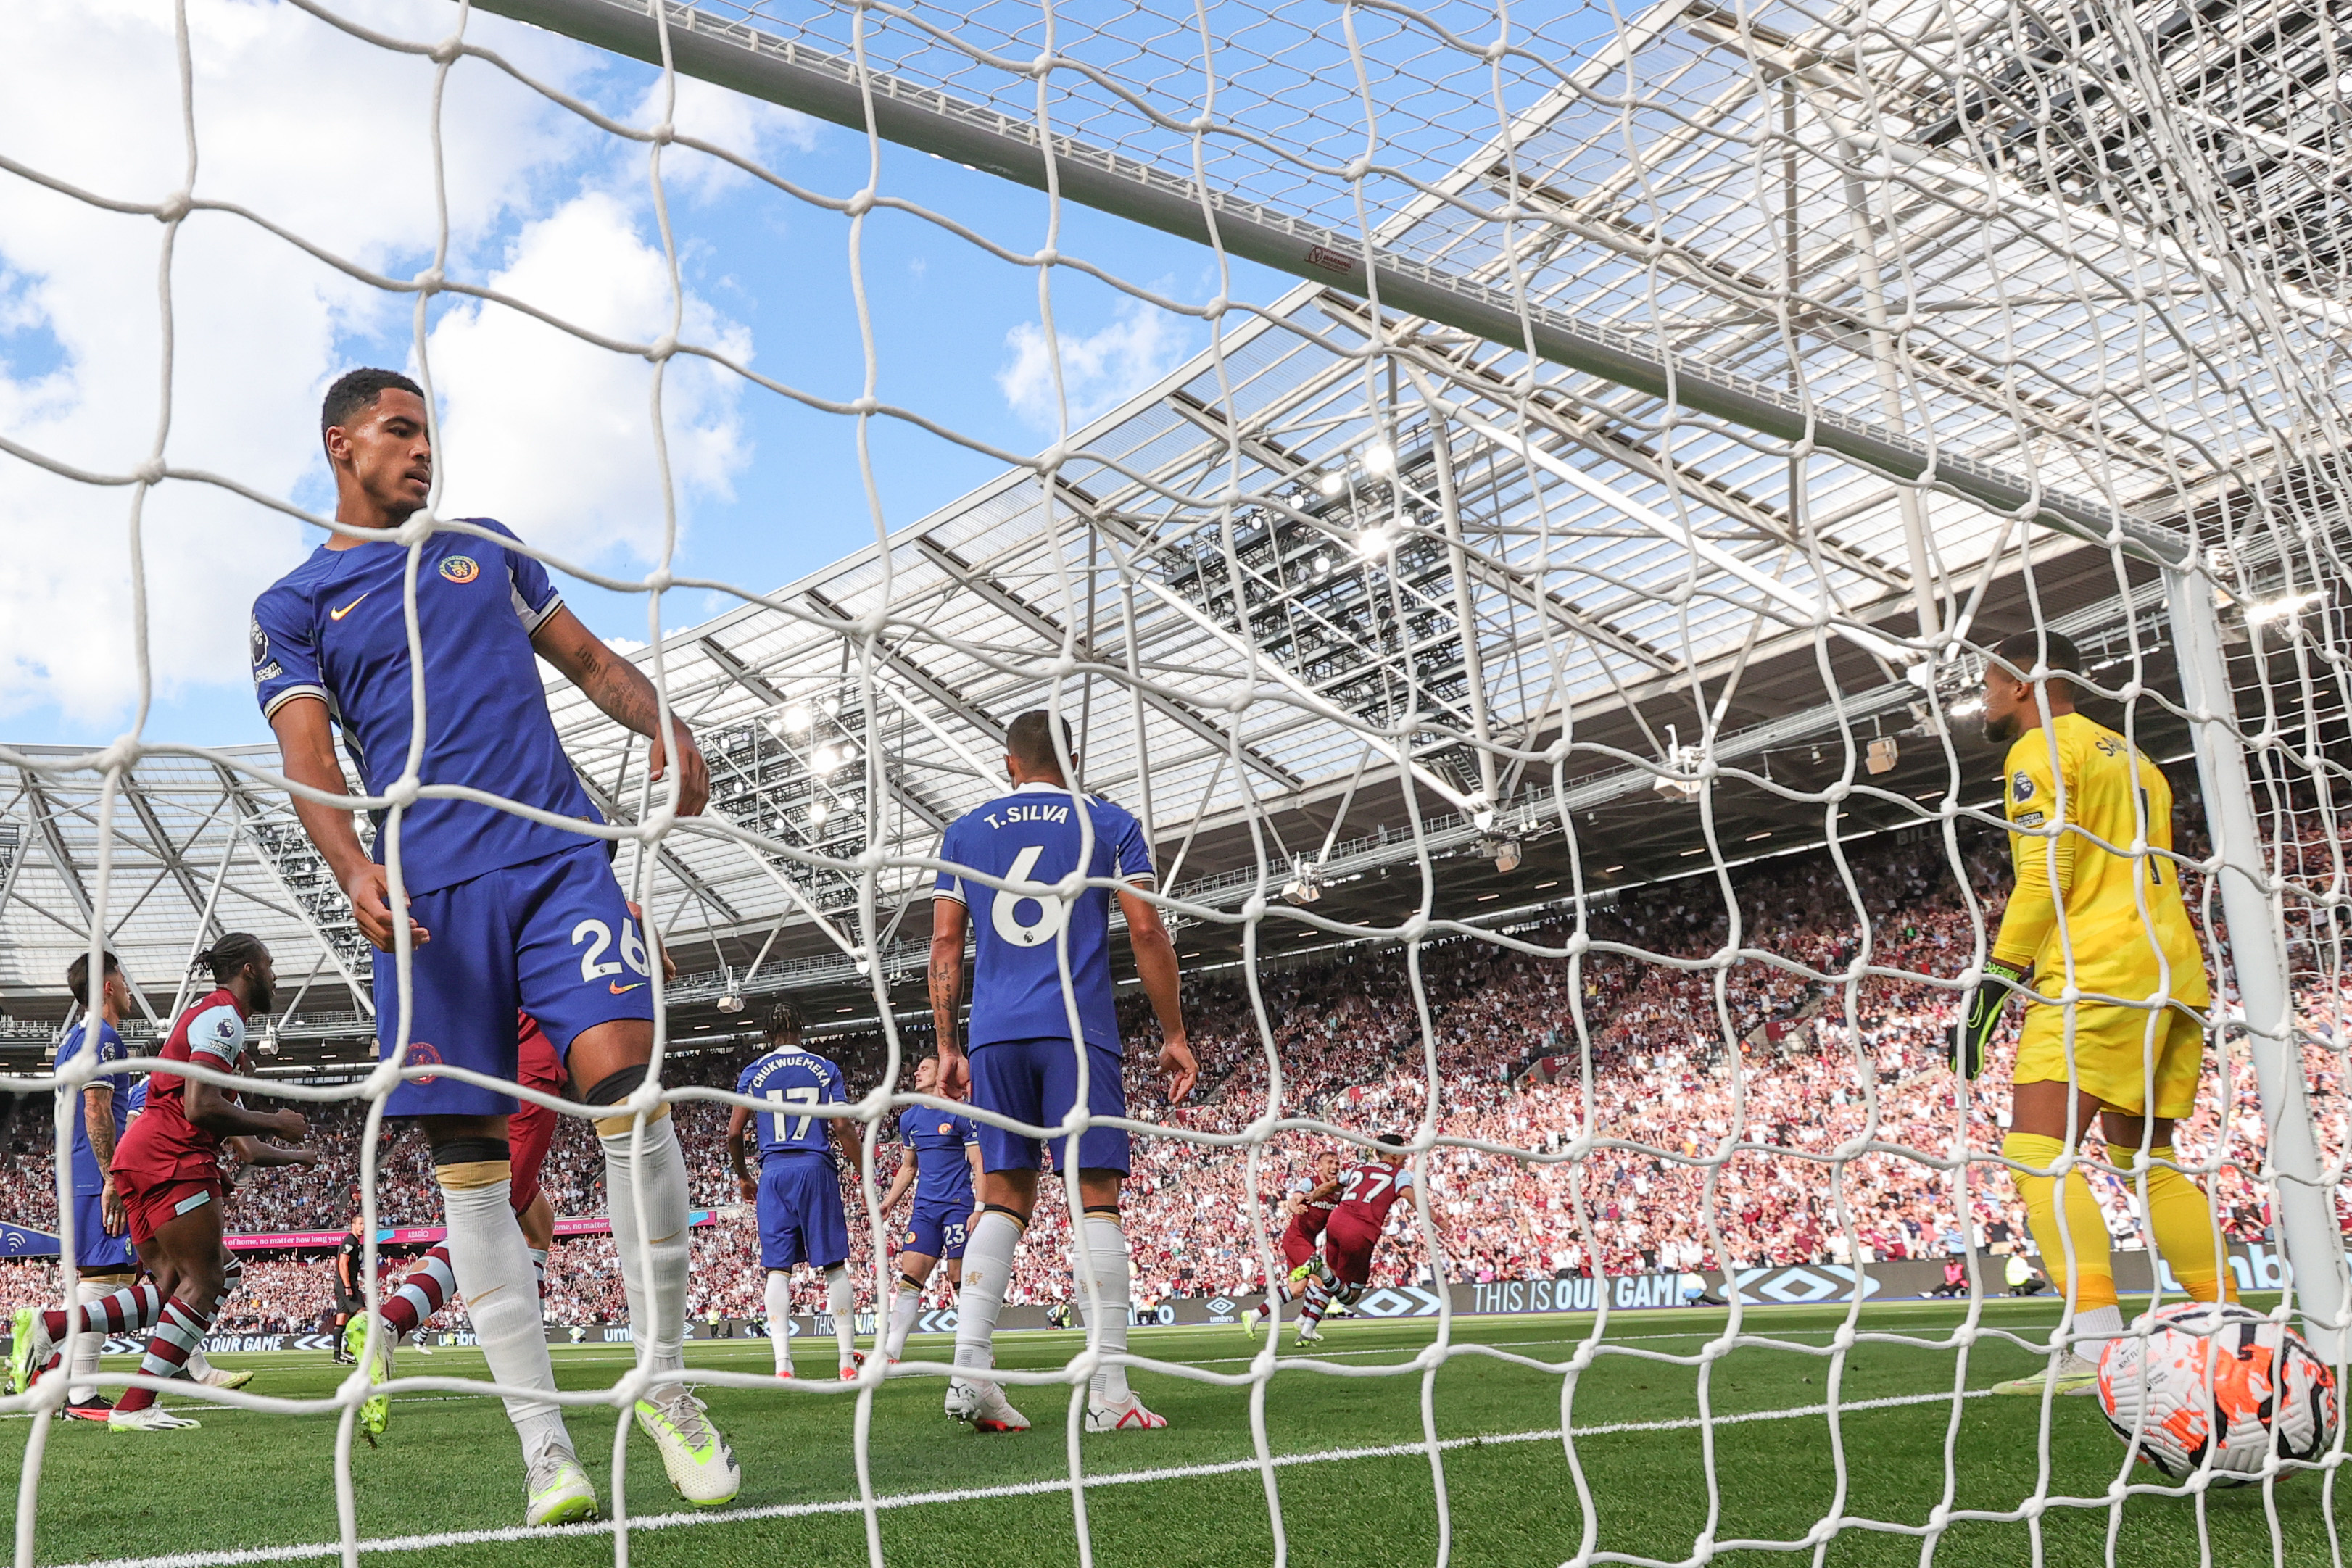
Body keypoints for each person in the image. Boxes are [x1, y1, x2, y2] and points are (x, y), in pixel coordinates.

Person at [252, 368, 726, 1522]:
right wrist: (353, 866)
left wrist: (663, 717)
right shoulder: (295, 603)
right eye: (401, 431)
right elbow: (308, 759)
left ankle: (666, 1380)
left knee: (635, 1097)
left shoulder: (487, 547)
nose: (424, 451)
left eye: (430, 431)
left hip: (560, 859)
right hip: (428, 902)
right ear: (341, 444)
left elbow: (591, 660)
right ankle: (545, 1447)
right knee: (469, 1173)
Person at [1950, 630, 2232, 1396]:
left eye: (1987, 683)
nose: (1983, 698)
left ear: (2020, 682)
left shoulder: (2039, 751)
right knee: (2148, 1162)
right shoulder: (2136, 758)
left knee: (2037, 1151)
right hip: (2173, 972)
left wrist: (1993, 985)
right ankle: (2226, 1329)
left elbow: (2045, 877)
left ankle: (2095, 1344)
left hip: (2097, 975)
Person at [929, 710, 1196, 1434]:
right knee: (1095, 1201)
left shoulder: (966, 830)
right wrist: (1173, 1033)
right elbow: (1146, 928)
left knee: (1004, 1197)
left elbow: (946, 945)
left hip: (991, 1037)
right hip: (1078, 1034)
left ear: (1008, 763)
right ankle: (1109, 1389)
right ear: (1072, 759)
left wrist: (947, 1045)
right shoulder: (1108, 823)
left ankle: (970, 1376)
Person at [10, 936, 318, 1430]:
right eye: (271, 964)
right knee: (208, 1279)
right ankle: (133, 1401)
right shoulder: (223, 1018)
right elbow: (199, 1107)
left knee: (174, 1284)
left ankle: (52, 1326)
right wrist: (277, 1120)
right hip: (170, 1159)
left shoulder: (209, 1024)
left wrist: (294, 1151)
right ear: (247, 969)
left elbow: (241, 1141)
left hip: (142, 1158)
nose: (276, 974)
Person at [726, 1004, 864, 1380]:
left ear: (767, 1034)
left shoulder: (754, 1072)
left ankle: (783, 1364)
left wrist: (743, 1176)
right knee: (834, 1266)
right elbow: (841, 1125)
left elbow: (734, 1133)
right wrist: (863, 1173)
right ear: (802, 1029)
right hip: (815, 1167)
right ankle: (846, 1362)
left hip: (773, 1173)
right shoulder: (825, 1068)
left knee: (777, 1269)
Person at [47, 950, 140, 1421]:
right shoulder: (102, 1038)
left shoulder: (78, 1038)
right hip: (92, 1176)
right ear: (107, 985)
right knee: (103, 1279)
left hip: (80, 1172)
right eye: (122, 978)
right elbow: (96, 1109)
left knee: (120, 1276)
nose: (128, 987)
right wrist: (112, 1178)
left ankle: (54, 1366)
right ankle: (77, 1391)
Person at [1293, 1134, 1449, 1345]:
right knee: (1351, 1296)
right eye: (1404, 1151)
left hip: (1336, 1221)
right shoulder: (1399, 1175)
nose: (1407, 1156)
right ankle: (1319, 1271)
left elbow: (1330, 1186)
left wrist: (1313, 1195)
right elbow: (1415, 1199)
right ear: (1394, 1153)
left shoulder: (1359, 1168)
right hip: (1360, 1231)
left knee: (1332, 1280)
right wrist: (1438, 1220)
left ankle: (1307, 1331)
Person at [875, 1056, 980, 1362]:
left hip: (958, 1205)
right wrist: (889, 1202)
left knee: (958, 1275)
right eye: (917, 1069)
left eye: (924, 1068)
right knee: (910, 1274)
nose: (917, 1073)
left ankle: (977, 1347)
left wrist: (981, 1206)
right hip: (925, 1209)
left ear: (941, 1074)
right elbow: (908, 1168)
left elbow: (978, 1161)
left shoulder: (960, 1114)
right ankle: (891, 1352)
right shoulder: (909, 1120)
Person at [1243, 1154, 1341, 1339]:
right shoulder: (1309, 1183)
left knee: (1296, 1290)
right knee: (1324, 1280)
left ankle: (1254, 1314)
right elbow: (1295, 1198)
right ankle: (1306, 1324)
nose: (1335, 1166)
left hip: (1307, 1240)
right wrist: (1294, 1206)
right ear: (1319, 1167)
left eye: (1337, 1163)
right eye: (1329, 1162)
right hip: (1296, 1239)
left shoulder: (1338, 1190)